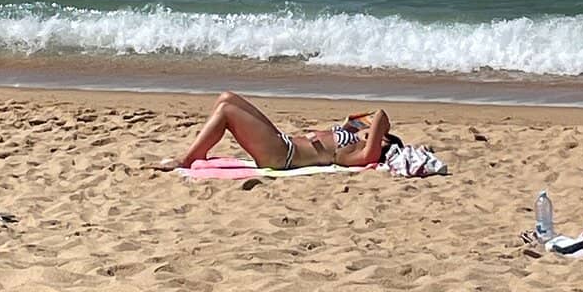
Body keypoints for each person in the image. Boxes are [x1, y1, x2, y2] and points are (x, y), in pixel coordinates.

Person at [153, 91, 400, 171]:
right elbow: (359, 119)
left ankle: (190, 159)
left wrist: (383, 134)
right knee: (226, 97)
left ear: (383, 141)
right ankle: (197, 152)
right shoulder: (352, 136)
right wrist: (355, 126)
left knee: (227, 111)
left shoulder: (362, 154)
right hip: (282, 141)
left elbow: (379, 115)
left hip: (282, 155)